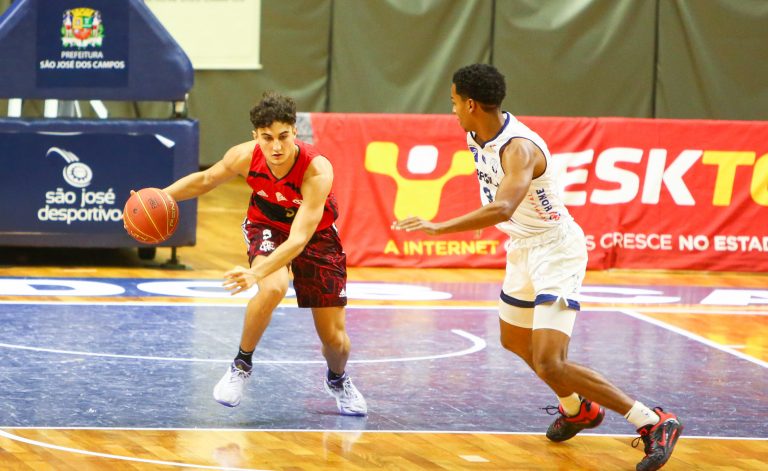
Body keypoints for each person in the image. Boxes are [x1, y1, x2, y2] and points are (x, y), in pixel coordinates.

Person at [393, 64, 681, 470]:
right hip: (522, 248)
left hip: (556, 250)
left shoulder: (519, 148)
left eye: (454, 101)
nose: (452, 108)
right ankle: (578, 408)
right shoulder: (476, 133)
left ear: (471, 104)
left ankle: (652, 421)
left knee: (550, 361)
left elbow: (503, 206)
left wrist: (439, 227)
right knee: (514, 341)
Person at [162, 91, 367, 416]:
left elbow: (299, 240)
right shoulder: (244, 156)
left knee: (335, 340)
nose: (276, 147)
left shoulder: (316, 170)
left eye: (283, 136)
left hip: (315, 235)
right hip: (266, 223)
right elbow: (205, 179)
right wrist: (162, 197)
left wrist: (253, 273)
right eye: (267, 137)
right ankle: (241, 365)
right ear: (255, 136)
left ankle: (338, 379)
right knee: (273, 288)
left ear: (295, 132)